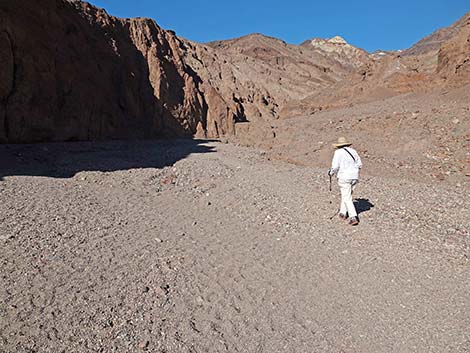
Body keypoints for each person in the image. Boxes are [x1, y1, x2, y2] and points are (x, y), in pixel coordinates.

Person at [328, 137, 362, 226]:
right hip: (354, 176)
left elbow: (335, 166)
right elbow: (359, 164)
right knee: (347, 195)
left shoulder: (338, 152)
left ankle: (353, 216)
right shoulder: (353, 151)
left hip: (344, 177)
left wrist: (331, 172)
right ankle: (343, 213)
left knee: (347, 197)